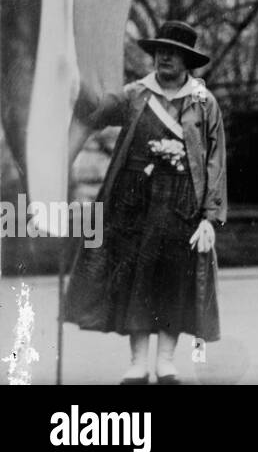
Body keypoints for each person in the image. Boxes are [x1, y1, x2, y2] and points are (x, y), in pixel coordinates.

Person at [65, 20, 226, 384]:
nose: (165, 58)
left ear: (187, 60)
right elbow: (94, 113)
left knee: (173, 281)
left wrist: (210, 217)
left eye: (174, 53)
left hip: (182, 203)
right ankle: (138, 362)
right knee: (136, 279)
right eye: (161, 51)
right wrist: (76, 84)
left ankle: (166, 362)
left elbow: (215, 160)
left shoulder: (204, 104)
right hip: (133, 204)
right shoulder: (134, 94)